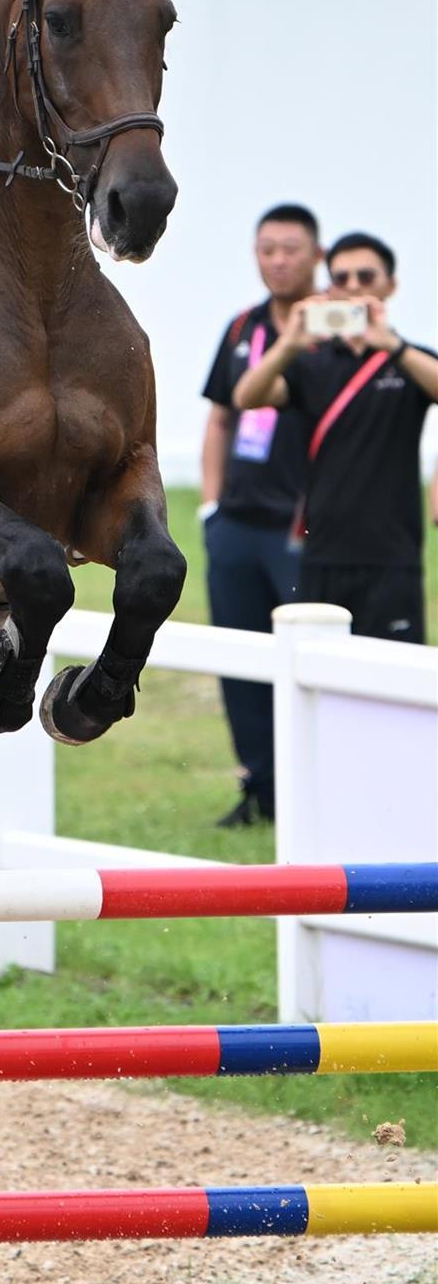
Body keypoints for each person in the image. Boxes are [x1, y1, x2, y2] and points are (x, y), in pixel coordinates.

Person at [234, 232, 438, 643]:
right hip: (323, 553)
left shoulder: (410, 359)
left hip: (392, 556)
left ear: (390, 285)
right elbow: (247, 397)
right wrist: (289, 344)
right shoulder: (313, 364)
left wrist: (391, 345)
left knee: (392, 673)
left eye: (366, 276)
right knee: (318, 674)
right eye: (342, 278)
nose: (354, 287)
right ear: (330, 289)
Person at [199, 205, 319, 825]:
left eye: (291, 249)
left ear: (316, 255)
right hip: (237, 525)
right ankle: (261, 790)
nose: (278, 260)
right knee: (241, 662)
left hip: (302, 529)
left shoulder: (336, 330)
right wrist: (211, 506)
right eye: (267, 249)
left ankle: (314, 792)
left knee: (307, 661)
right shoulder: (242, 328)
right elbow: (221, 418)